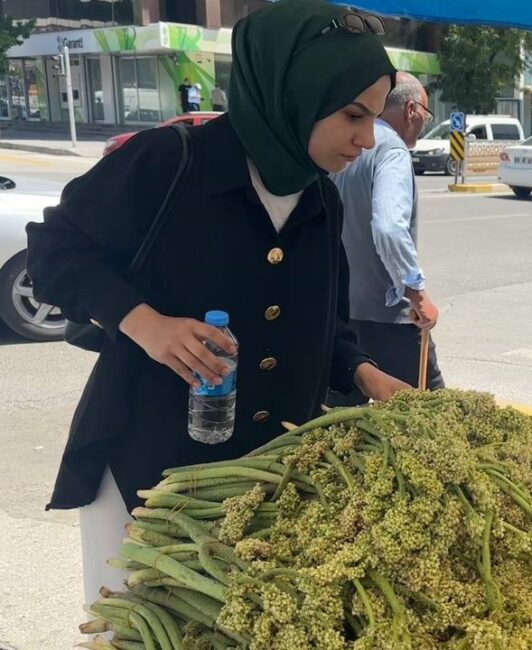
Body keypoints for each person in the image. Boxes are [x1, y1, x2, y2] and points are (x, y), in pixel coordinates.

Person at [25, 0, 409, 607]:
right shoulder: (167, 164)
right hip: (144, 478)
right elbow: (53, 251)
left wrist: (366, 374)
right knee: (137, 630)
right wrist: (144, 323)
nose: (366, 139)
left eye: (374, 116)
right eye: (351, 116)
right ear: (294, 93)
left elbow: (323, 326)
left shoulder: (320, 201)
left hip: (264, 488)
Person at [330, 72, 443, 398]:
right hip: (389, 321)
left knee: (343, 425)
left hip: (340, 314)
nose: (423, 121)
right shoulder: (390, 149)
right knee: (428, 418)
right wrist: (416, 292)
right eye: (425, 112)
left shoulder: (346, 146)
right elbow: (389, 227)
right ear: (411, 110)